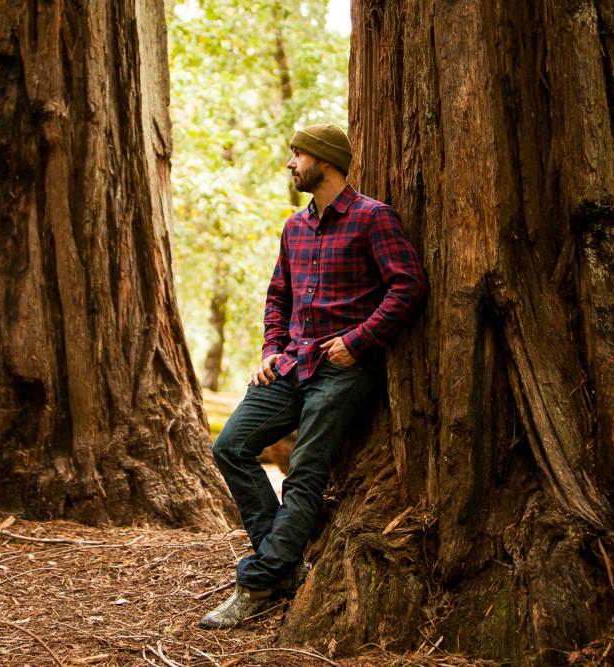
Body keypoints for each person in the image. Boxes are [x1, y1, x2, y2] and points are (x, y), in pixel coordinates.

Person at [200, 123, 428, 629]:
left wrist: (357, 340)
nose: (290, 163)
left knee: (305, 472)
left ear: (325, 161)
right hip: (290, 364)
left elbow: (407, 286)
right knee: (229, 446)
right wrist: (270, 349)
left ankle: (258, 583)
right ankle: (280, 564)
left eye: (297, 154)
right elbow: (277, 295)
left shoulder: (373, 218)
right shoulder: (294, 227)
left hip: (343, 370)